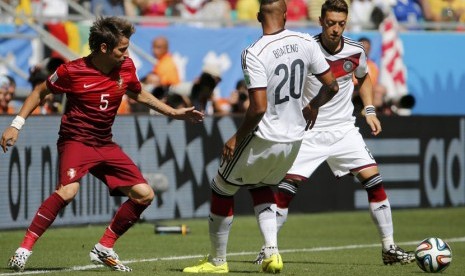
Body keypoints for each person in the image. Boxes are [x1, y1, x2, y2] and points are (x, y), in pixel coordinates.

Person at [1, 16, 204, 273]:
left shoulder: (126, 67)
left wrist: (173, 113)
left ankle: (104, 247)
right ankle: (24, 249)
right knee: (68, 191)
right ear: (104, 48)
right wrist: (16, 124)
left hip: (104, 143)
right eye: (122, 49)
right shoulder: (71, 71)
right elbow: (41, 91)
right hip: (76, 140)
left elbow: (137, 93)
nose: (126, 54)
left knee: (145, 194)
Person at [252, 0, 416, 266]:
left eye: (341, 24)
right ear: (320, 22)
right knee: (285, 190)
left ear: (346, 23)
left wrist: (370, 109)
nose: (335, 29)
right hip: (308, 131)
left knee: (374, 181)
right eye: (330, 23)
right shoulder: (306, 50)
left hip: (344, 130)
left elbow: (363, 77)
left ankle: (389, 247)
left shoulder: (355, 51)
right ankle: (268, 248)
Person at [182, 0, 338, 273]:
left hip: (264, 136)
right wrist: (313, 106)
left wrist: (236, 138)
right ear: (287, 15)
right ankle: (272, 253)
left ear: (257, 17)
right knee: (261, 186)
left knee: (221, 187)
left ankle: (218, 262)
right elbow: (332, 86)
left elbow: (259, 107)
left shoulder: (254, 52)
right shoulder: (306, 42)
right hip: (294, 139)